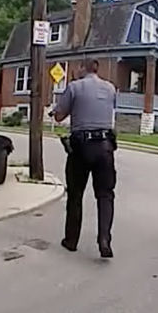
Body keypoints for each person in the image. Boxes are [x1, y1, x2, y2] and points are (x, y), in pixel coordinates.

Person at [52, 58, 118, 258]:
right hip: (105, 146)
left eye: (78, 67)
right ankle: (104, 239)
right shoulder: (111, 88)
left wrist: (61, 107)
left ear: (83, 68)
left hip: (81, 147)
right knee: (105, 195)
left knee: (76, 194)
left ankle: (71, 240)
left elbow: (59, 116)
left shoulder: (74, 87)